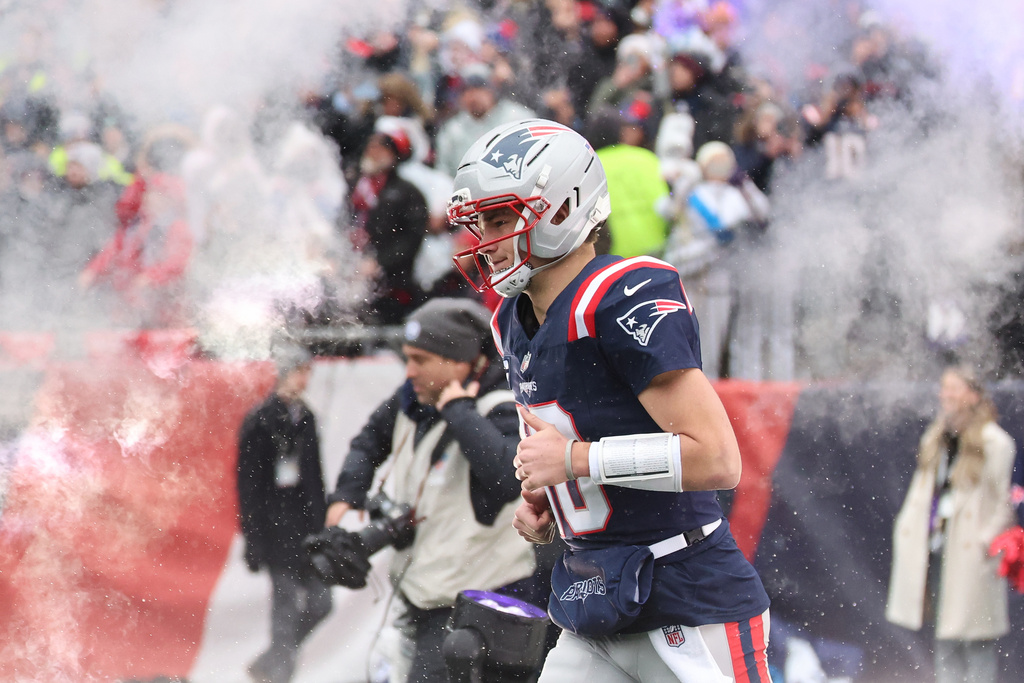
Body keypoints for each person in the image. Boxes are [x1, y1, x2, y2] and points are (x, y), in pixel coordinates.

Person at [447, 118, 772, 682]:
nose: (486, 241)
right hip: (593, 598)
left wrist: (574, 463)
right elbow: (571, 431)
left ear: (563, 207)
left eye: (500, 219)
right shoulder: (511, 321)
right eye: (481, 223)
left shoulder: (620, 294)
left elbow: (718, 460)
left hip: (688, 600)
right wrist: (550, 498)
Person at [320, 297, 538, 683]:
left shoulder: (500, 405)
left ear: (459, 361)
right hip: (419, 603)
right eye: (407, 358)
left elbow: (509, 477)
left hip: (476, 614)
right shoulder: (415, 397)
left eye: (420, 359)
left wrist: (459, 412)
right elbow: (367, 441)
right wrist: (345, 499)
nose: (410, 371)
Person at [886, 365, 1017, 683]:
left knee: (976, 641)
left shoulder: (995, 443)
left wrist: (986, 541)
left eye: (954, 388)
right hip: (940, 548)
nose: (946, 395)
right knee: (945, 639)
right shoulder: (937, 437)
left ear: (972, 395)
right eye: (944, 388)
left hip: (972, 554)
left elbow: (1003, 502)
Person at [236, 343, 333, 683]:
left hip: (305, 529)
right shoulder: (260, 421)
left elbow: (315, 478)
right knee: (286, 609)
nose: (306, 380)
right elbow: (249, 486)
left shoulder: (305, 417)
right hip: (276, 531)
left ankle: (271, 661)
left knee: (320, 603)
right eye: (302, 371)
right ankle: (278, 674)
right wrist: (253, 537)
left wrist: (322, 526)